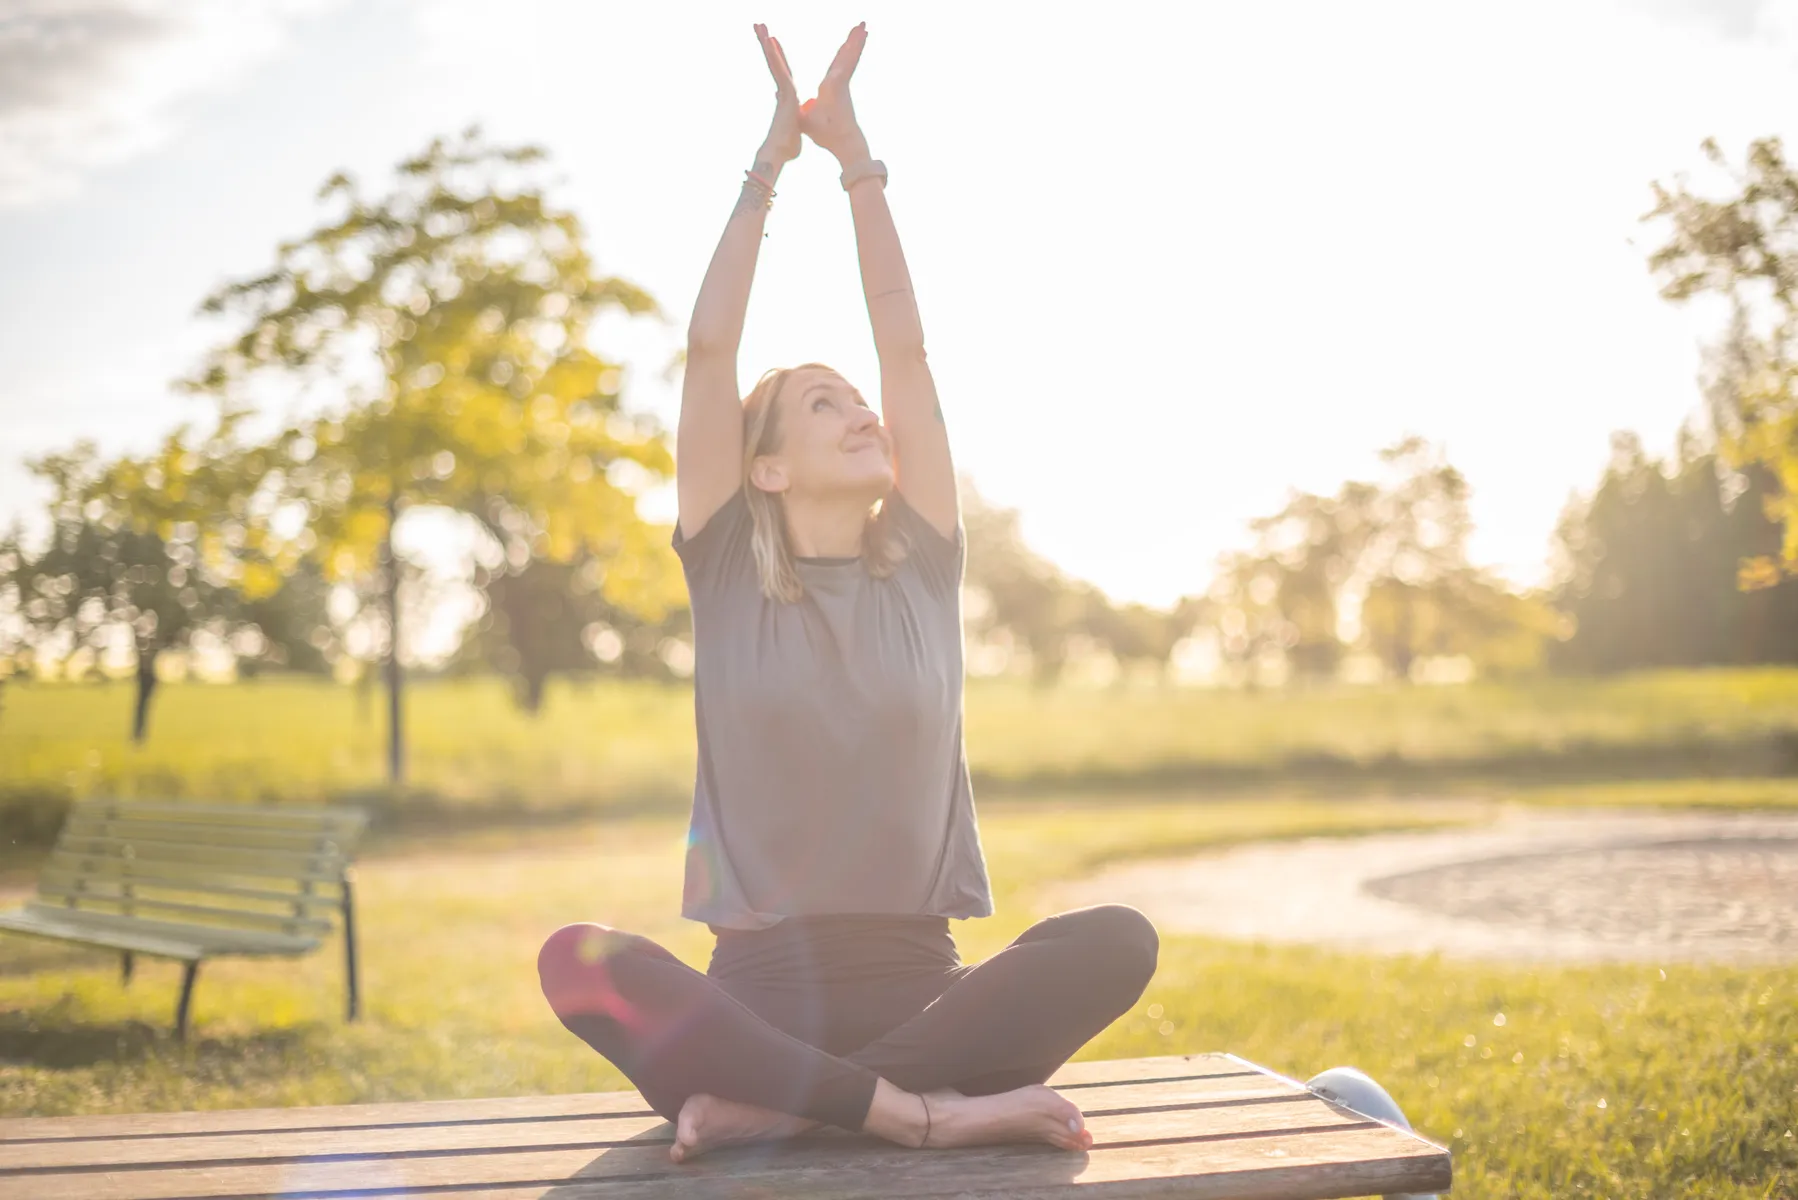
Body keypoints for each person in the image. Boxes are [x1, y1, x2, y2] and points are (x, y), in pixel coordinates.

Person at [537, 22, 1159, 1164]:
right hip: (761, 1004)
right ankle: (916, 1114)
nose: (864, 409)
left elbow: (907, 351)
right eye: (824, 404)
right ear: (762, 465)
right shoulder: (726, 567)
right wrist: (770, 166)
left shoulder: (923, 562)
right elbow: (710, 353)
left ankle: (806, 1104)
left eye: (856, 398)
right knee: (578, 959)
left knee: (1116, 938)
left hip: (933, 1007)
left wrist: (860, 164)